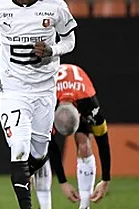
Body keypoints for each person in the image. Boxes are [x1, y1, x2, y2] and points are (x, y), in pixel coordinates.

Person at [0, 0, 77, 209]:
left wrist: (52, 50)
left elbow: (70, 40)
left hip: (45, 91)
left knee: (39, 154)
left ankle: (22, 176)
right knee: (19, 148)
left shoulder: (56, 7)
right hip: (13, 92)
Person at [32, 64, 111, 209]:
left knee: (84, 145)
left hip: (79, 92)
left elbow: (103, 140)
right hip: (51, 93)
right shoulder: (46, 103)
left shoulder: (90, 104)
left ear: (81, 115)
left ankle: (85, 206)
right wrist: (63, 182)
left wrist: (106, 179)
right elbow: (51, 146)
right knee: (40, 153)